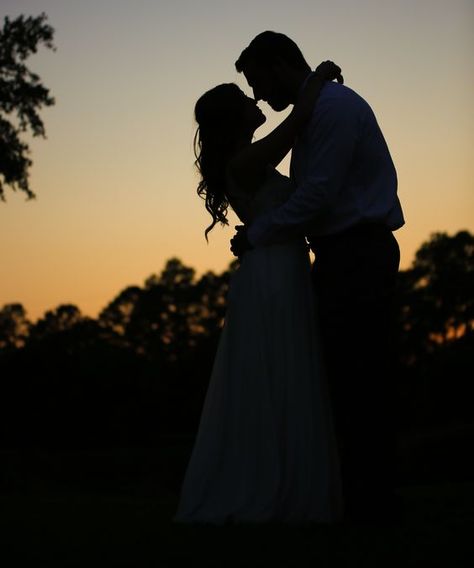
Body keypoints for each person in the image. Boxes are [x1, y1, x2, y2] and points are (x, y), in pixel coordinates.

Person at [230, 31, 405, 524]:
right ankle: (361, 497)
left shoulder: (332, 110)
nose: (260, 96)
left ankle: (375, 502)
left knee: (363, 378)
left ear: (279, 65)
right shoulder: (311, 113)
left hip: (358, 253)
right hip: (338, 255)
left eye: (259, 82)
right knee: (346, 380)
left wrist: (258, 233)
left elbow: (318, 196)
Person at [174, 62, 344, 525]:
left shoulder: (244, 161)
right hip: (272, 274)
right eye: (244, 100)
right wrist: (316, 79)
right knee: (282, 366)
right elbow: (296, 123)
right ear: (235, 118)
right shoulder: (246, 162)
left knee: (283, 368)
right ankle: (276, 487)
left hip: (276, 266)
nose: (255, 102)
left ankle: (282, 479)